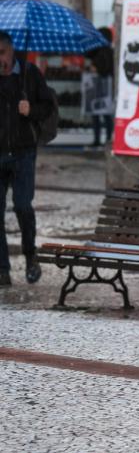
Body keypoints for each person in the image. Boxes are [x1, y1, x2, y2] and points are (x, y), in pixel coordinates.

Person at [0, 31, 55, 286]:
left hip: (23, 152)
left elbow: (48, 107)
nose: (0, 59)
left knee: (23, 206)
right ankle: (2, 269)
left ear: (11, 51)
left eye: (2, 53)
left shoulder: (29, 74)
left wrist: (31, 109)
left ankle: (31, 255)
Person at [87, 27, 114, 146]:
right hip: (104, 87)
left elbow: (106, 69)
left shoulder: (103, 51)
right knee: (104, 113)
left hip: (101, 86)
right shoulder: (105, 50)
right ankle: (106, 139)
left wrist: (96, 69)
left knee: (101, 114)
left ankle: (101, 140)